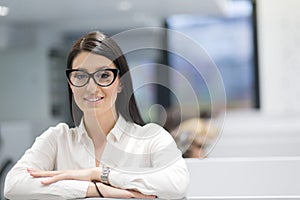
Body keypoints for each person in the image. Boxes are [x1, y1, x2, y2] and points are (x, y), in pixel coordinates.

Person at [4, 31, 189, 199]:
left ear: (121, 82)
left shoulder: (150, 138)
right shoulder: (57, 139)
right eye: (80, 76)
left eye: (104, 76)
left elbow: (176, 183)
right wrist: (96, 190)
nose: (91, 88)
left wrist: (99, 174)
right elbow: (13, 185)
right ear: (70, 83)